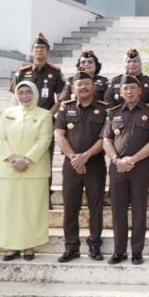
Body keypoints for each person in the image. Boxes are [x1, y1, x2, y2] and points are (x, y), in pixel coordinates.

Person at [102, 75, 149, 265]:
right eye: (126, 89)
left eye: (133, 88)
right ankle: (119, 251)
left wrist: (133, 159)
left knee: (139, 210)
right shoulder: (114, 113)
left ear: (140, 90)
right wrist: (116, 159)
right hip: (117, 168)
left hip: (140, 167)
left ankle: (136, 251)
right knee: (118, 210)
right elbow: (106, 140)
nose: (130, 91)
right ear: (120, 92)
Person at [0, 80, 53, 261]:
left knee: (31, 209)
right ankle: (11, 246)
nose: (25, 96)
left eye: (28, 92)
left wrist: (26, 160)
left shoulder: (44, 115)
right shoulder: (7, 113)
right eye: (21, 92)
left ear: (35, 94)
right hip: (8, 169)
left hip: (34, 170)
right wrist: (12, 158)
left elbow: (44, 140)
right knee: (9, 209)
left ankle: (29, 246)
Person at [53, 71, 109, 262]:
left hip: (95, 164)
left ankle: (94, 244)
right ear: (73, 88)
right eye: (79, 84)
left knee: (96, 207)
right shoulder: (65, 109)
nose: (83, 87)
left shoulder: (104, 109)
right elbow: (59, 135)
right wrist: (74, 158)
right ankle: (71, 246)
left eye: (87, 84)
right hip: (71, 165)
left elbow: (105, 138)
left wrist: (85, 157)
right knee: (70, 206)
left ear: (94, 86)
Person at [10, 32, 66, 113]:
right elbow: (15, 96)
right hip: (25, 115)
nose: (39, 50)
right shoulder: (22, 72)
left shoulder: (55, 73)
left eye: (42, 47)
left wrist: (48, 116)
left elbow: (60, 99)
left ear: (48, 52)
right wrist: (20, 113)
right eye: (37, 47)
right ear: (31, 51)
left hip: (46, 115)